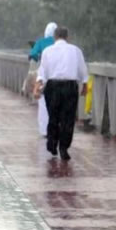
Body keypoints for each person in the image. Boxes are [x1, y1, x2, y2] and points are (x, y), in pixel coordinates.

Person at [34, 27, 88, 160]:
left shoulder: (47, 51)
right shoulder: (76, 50)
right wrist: (84, 85)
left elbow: (42, 72)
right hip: (70, 86)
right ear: (67, 37)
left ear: (55, 37)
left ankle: (52, 144)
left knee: (53, 116)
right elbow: (83, 70)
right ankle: (64, 147)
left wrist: (38, 86)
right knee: (68, 119)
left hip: (53, 86)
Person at [29, 22, 57, 136]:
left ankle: (45, 130)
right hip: (58, 75)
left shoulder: (41, 42)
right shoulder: (59, 43)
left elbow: (33, 55)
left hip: (44, 74)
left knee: (43, 102)